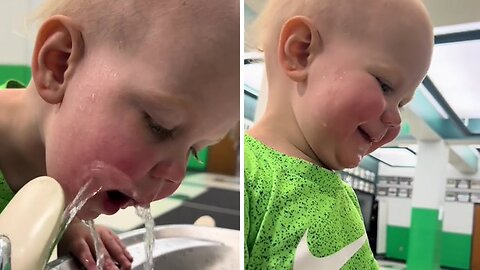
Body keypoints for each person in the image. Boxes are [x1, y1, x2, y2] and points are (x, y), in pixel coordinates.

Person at [0, 0, 239, 269]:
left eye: (194, 150)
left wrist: (67, 226)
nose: (176, 176)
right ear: (60, 64)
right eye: (159, 125)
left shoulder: (50, 157)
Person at [244, 0, 433, 268]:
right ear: (301, 52)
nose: (395, 119)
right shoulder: (250, 174)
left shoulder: (343, 195)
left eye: (402, 103)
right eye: (385, 85)